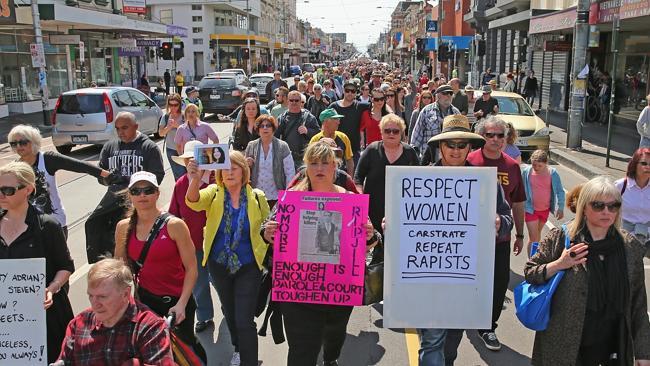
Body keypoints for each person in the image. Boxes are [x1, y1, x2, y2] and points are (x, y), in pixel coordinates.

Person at [262, 141, 381, 366]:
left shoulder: (349, 199)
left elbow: (371, 240)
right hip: (298, 291)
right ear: (306, 167)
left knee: (333, 339)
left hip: (337, 291)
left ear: (335, 167)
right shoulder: (291, 199)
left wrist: (369, 235)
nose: (319, 168)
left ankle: (330, 359)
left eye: (325, 163)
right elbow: (268, 227)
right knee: (302, 350)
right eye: (314, 163)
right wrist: (268, 232)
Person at [524, 176, 650, 366]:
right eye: (598, 205)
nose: (607, 211)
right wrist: (559, 263)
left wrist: (643, 352)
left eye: (613, 206)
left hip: (612, 347)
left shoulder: (629, 248)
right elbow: (531, 272)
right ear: (584, 207)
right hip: (564, 345)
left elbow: (638, 306)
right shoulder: (561, 237)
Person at [186, 151, 271, 366]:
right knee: (230, 313)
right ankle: (237, 348)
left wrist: (269, 233)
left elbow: (267, 227)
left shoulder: (258, 197)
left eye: (234, 168)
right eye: (225, 169)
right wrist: (194, 179)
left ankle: (249, 361)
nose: (229, 173)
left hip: (249, 266)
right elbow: (193, 201)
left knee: (244, 319)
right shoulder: (214, 192)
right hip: (218, 265)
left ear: (244, 171)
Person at [114, 171, 205, 361]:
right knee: (153, 353)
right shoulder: (123, 227)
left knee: (184, 349)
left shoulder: (175, 225)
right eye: (136, 191)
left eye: (148, 190)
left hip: (177, 302)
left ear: (157, 193)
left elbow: (192, 269)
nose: (142, 195)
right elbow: (119, 269)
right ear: (129, 195)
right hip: (145, 301)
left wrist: (181, 304)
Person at [0, 161, 75, 363]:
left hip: (44, 317)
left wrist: (52, 288)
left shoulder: (47, 226)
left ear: (28, 189)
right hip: (5, 319)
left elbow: (65, 266)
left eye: (7, 190)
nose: (1, 195)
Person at [464, 116, 526, 352]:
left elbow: (518, 202)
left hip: (500, 238)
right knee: (471, 281)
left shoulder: (512, 166)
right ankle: (469, 315)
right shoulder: (469, 161)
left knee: (499, 284)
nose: (496, 139)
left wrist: (520, 235)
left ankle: (488, 326)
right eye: (490, 135)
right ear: (482, 136)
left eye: (501, 135)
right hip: (469, 238)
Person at [54, 259, 175, 365]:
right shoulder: (78, 324)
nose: (95, 304)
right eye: (91, 296)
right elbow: (65, 361)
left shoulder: (150, 328)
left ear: (125, 294)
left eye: (102, 297)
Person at [86, 111, 165, 263]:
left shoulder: (149, 147)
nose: (121, 132)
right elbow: (100, 174)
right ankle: (107, 262)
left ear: (136, 126)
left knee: (135, 234)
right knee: (94, 223)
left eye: (125, 128)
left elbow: (158, 176)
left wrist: (135, 184)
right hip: (114, 198)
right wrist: (108, 179)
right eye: (117, 129)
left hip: (139, 200)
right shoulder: (110, 147)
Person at [8, 125, 109, 235]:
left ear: (33, 141)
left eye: (22, 142)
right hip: (26, 225)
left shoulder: (47, 159)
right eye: (14, 143)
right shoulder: (14, 168)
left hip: (54, 222)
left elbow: (78, 165)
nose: (18, 146)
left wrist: (105, 174)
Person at [169, 141, 216, 334]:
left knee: (222, 282)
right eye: (188, 159)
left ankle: (231, 314)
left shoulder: (217, 179)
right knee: (199, 283)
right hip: (193, 243)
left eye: (195, 159)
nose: (191, 163)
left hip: (217, 242)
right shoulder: (180, 184)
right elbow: (173, 212)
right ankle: (205, 315)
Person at [355, 114, 419, 234]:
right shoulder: (371, 150)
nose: (391, 134)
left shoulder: (410, 153)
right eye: (387, 130)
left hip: (401, 210)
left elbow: (419, 180)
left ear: (402, 133)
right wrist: (361, 200)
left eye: (395, 131)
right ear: (381, 132)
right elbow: (358, 178)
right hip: (373, 209)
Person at [521, 150, 565, 257]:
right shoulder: (527, 172)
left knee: (537, 235)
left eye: (539, 166)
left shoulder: (552, 173)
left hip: (544, 209)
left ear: (546, 163)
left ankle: (534, 257)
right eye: (534, 165)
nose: (536, 168)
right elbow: (520, 188)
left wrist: (561, 207)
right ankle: (531, 261)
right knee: (533, 237)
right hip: (530, 208)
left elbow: (560, 191)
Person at [245, 115, 295, 208]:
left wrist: (288, 194)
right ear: (258, 129)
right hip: (256, 195)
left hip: (276, 195)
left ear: (273, 128)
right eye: (262, 126)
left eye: (268, 125)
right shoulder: (251, 145)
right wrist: (246, 164)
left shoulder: (283, 146)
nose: (265, 128)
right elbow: (243, 171)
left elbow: (290, 172)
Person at [410, 85, 460, 159]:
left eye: (451, 93)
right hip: (429, 158)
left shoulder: (456, 113)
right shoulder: (426, 111)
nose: (449, 95)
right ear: (438, 95)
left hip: (451, 157)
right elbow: (417, 135)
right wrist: (414, 155)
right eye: (446, 93)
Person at [275, 90, 321, 170]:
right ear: (287, 101)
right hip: (287, 157)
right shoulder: (282, 118)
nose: (294, 102)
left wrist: (307, 131)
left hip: (304, 158)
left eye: (296, 100)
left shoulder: (309, 117)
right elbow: (275, 137)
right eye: (291, 100)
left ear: (301, 102)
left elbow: (318, 135)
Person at [615, 147, 650, 249]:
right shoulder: (621, 185)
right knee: (628, 263)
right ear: (634, 164)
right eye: (644, 163)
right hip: (624, 236)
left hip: (647, 236)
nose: (648, 167)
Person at [329, 80, 370, 166]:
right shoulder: (334, 106)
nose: (350, 93)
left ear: (356, 93)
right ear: (343, 91)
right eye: (347, 90)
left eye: (353, 91)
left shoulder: (360, 106)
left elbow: (378, 105)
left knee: (353, 178)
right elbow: (324, 123)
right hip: (336, 148)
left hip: (354, 149)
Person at [310, 108, 355, 176]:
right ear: (326, 122)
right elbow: (308, 161)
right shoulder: (315, 140)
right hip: (321, 178)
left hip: (339, 178)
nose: (338, 122)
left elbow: (349, 160)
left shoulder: (343, 137)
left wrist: (350, 178)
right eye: (335, 119)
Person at [158, 93, 186, 180]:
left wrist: (178, 126)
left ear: (180, 104)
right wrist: (169, 127)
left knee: (187, 174)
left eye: (175, 105)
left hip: (185, 149)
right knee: (178, 175)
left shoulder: (184, 116)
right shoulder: (166, 117)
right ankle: (181, 192)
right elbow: (161, 133)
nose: (173, 107)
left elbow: (191, 131)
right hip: (171, 149)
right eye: (171, 105)